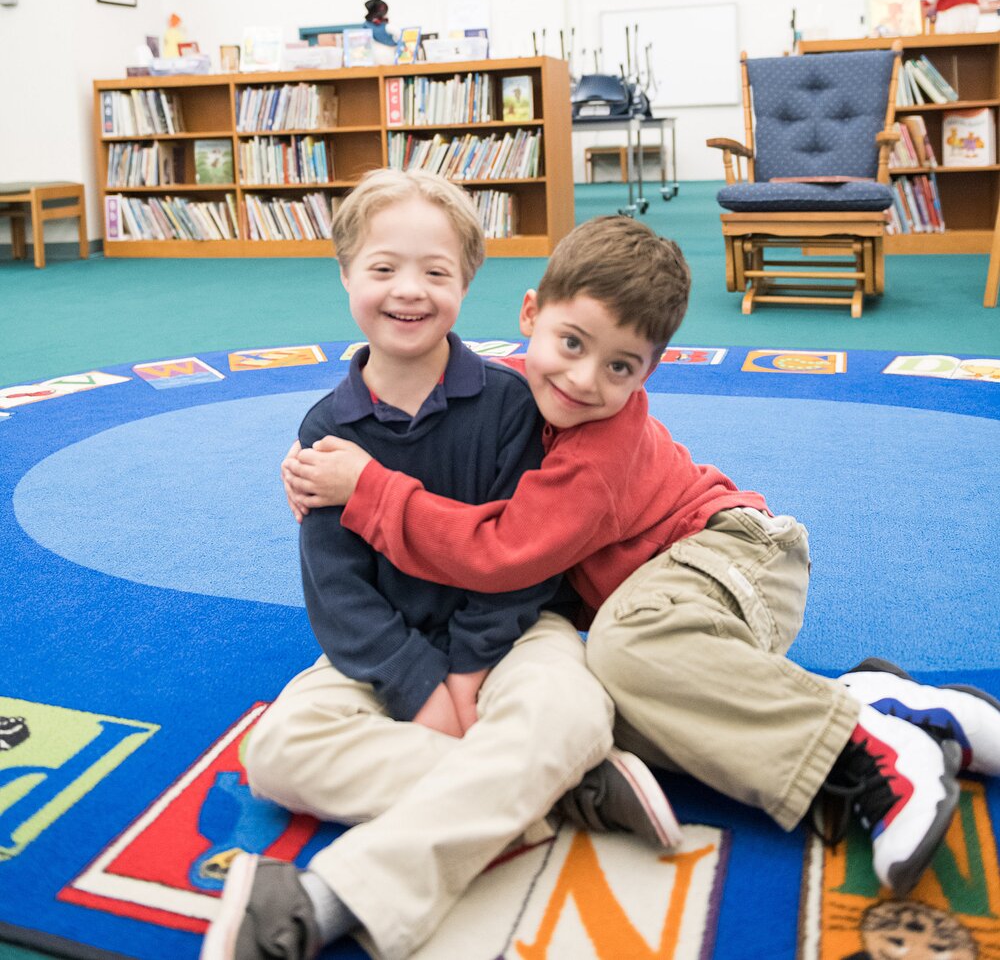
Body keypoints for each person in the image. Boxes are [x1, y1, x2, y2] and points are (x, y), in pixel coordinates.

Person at [284, 214, 1000, 902]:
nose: (584, 380)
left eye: (619, 365)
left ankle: (861, 747)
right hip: (661, 595)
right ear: (530, 314)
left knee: (625, 651)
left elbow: (503, 552)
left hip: (732, 553)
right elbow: (450, 451)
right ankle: (872, 701)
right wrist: (315, 477)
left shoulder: (598, 448)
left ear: (651, 371)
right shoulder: (514, 392)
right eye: (571, 343)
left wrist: (369, 490)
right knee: (591, 701)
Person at [202, 174, 678, 960]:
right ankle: (552, 788)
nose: (409, 292)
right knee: (279, 750)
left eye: (436, 272)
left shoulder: (512, 401)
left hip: (514, 632)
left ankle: (337, 893)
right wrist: (416, 682)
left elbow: (523, 557)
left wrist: (463, 672)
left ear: (468, 282)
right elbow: (337, 588)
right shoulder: (325, 426)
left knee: (572, 712)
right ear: (347, 275)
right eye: (384, 269)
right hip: (379, 646)